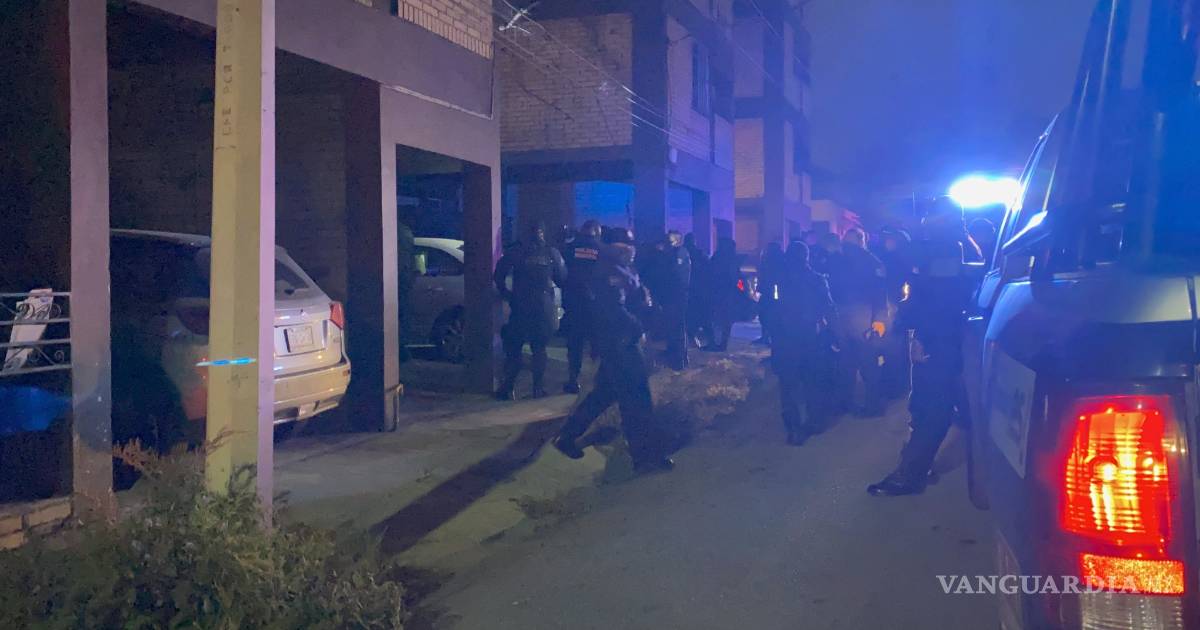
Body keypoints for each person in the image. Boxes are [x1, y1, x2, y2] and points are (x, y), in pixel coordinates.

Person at [868, 197, 976, 496]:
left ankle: (910, 474)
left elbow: (940, 301)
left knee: (930, 406)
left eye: (930, 215)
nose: (925, 220)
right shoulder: (959, 245)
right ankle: (918, 465)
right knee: (939, 406)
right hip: (951, 337)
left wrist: (922, 337)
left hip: (940, 339)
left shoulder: (947, 249)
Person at [553, 229, 673, 474]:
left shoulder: (623, 269)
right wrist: (639, 325)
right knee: (636, 398)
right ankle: (643, 455)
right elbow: (614, 309)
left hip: (620, 342)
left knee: (605, 394)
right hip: (620, 343)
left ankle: (567, 436)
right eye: (627, 247)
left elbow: (637, 296)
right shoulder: (610, 271)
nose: (632, 251)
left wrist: (649, 307)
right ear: (618, 248)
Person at [772, 241, 837, 445]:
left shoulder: (780, 280)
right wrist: (832, 333)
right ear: (807, 257)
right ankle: (814, 421)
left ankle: (793, 427)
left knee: (788, 385)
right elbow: (828, 307)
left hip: (786, 339)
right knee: (812, 381)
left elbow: (772, 307)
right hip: (811, 337)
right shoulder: (817, 279)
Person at [493, 223, 566, 400]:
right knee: (539, 349)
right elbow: (562, 278)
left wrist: (507, 294)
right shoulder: (551, 253)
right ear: (543, 234)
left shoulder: (516, 251)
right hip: (543, 307)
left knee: (514, 348)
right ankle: (537, 389)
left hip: (521, 306)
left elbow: (498, 275)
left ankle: (508, 387)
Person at [827, 228, 888, 417]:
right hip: (864, 318)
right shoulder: (872, 262)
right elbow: (880, 293)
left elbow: (829, 290)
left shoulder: (836, 259)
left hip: (842, 318)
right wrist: (879, 320)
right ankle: (872, 405)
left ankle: (845, 402)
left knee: (846, 362)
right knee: (868, 363)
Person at [560, 220, 603, 394]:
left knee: (575, 343)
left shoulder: (571, 248)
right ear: (596, 232)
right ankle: (598, 380)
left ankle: (573, 380)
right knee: (597, 342)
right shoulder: (601, 249)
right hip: (595, 304)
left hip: (574, 303)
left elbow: (561, 273)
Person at [655, 230, 691, 370]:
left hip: (677, 296)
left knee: (677, 327)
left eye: (669, 241)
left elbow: (676, 276)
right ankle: (672, 353)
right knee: (671, 326)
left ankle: (679, 359)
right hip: (671, 296)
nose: (666, 244)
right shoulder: (673, 254)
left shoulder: (680, 254)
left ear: (677, 241)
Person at [704, 237, 741, 352]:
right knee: (724, 319)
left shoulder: (720, 257)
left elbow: (711, 273)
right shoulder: (731, 258)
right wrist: (739, 289)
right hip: (726, 293)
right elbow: (736, 277)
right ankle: (721, 343)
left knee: (718, 318)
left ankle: (718, 343)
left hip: (720, 292)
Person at [683, 233, 710, 348]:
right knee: (699, 314)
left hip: (688, 289)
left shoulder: (683, 253)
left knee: (689, 314)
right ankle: (694, 336)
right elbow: (707, 269)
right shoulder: (700, 254)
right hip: (698, 289)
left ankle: (691, 336)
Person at [756, 242, 785, 346]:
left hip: (773, 292)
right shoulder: (771, 260)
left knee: (769, 315)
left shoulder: (775, 261)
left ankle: (770, 338)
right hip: (769, 292)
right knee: (765, 315)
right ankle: (766, 337)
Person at [397, 221, 417, 362]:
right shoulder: (406, 233)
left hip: (400, 280)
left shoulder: (399, 232)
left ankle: (400, 349)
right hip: (405, 280)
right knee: (403, 315)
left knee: (399, 315)